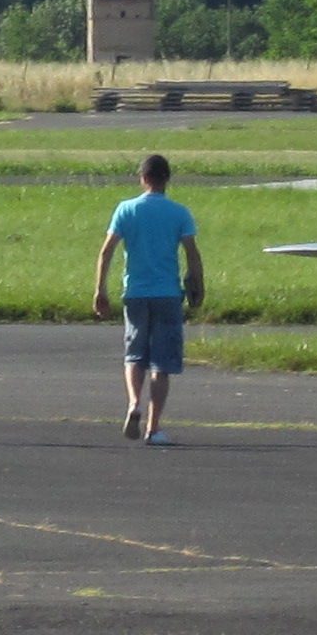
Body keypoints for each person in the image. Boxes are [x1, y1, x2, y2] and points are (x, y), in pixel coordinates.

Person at [90, 152, 203, 444]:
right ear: (167, 179)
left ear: (143, 178)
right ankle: (154, 429)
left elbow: (106, 251)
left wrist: (100, 290)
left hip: (136, 293)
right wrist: (198, 287)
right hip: (167, 293)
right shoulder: (180, 212)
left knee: (134, 354)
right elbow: (192, 254)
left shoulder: (126, 209)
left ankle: (133, 403)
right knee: (162, 363)